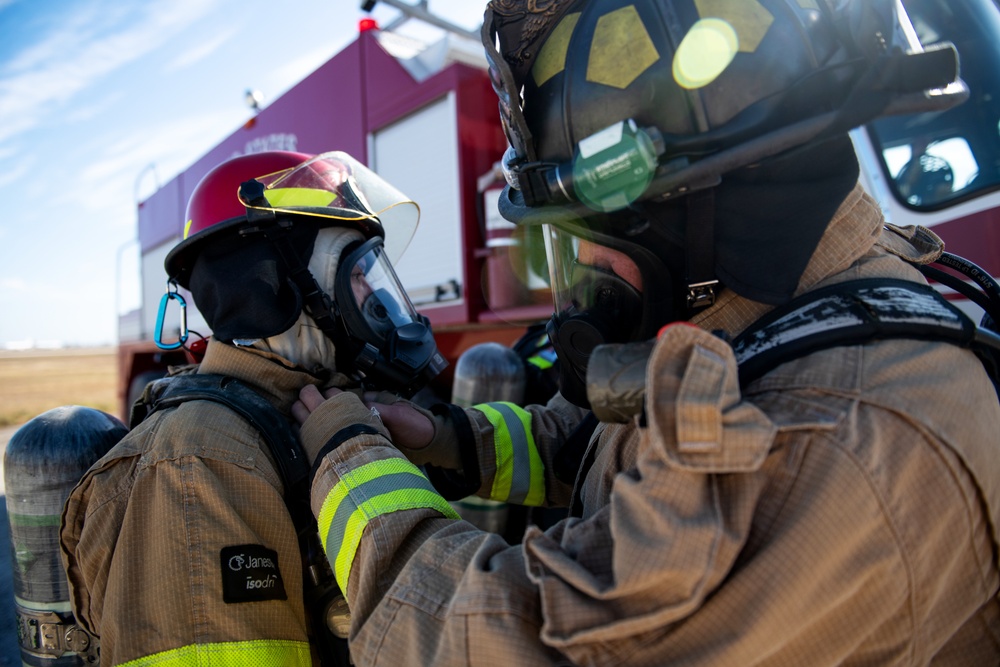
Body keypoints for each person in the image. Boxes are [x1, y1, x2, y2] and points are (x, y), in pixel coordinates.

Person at [290, 1, 1000, 665]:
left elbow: (505, 640)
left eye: (587, 236)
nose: (580, 271)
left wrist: (348, 462)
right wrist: (447, 437)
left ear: (693, 208)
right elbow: (597, 439)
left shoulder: (832, 441)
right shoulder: (755, 319)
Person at [59, 150, 445, 665]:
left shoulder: (322, 413)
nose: (374, 293)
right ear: (269, 289)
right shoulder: (201, 461)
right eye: (356, 271)